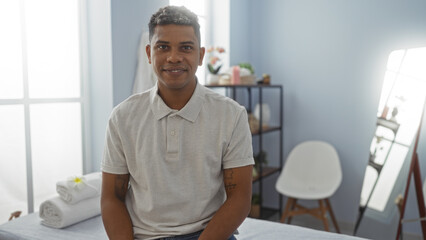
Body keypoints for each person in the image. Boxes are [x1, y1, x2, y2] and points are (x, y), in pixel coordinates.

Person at [101, 5, 254, 240]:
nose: (174, 57)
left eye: (186, 47)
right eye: (163, 47)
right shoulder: (123, 117)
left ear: (200, 55)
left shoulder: (231, 115)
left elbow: (240, 198)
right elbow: (112, 197)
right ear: (149, 53)